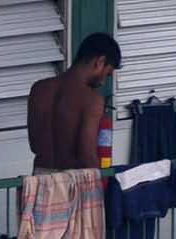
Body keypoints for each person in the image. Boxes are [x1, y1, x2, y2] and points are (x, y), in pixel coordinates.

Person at [27, 32, 122, 172]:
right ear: (100, 62)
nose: (102, 82)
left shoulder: (39, 89)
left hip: (39, 181)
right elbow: (86, 155)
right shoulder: (91, 99)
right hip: (73, 182)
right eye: (107, 74)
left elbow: (34, 145)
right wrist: (102, 182)